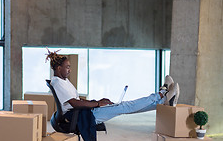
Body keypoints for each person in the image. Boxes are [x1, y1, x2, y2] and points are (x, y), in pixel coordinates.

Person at [45, 49, 180, 125]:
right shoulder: (57, 82)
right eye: (67, 67)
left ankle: (164, 101)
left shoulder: (63, 81)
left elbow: (76, 99)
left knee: (126, 107)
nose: (70, 70)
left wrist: (96, 102)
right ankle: (161, 94)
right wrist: (97, 104)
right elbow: (74, 103)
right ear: (58, 68)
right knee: (125, 106)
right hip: (80, 116)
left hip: (83, 112)